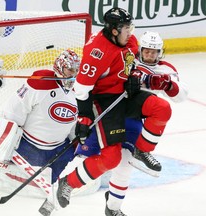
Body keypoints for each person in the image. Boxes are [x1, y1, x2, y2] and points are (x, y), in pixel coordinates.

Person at [56, 7, 173, 216]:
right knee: (111, 158)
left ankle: (142, 151)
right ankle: (68, 182)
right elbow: (81, 89)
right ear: (114, 30)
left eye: (130, 27)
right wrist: (84, 117)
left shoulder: (128, 40)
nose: (131, 31)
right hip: (104, 100)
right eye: (126, 28)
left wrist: (134, 76)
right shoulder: (97, 52)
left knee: (161, 108)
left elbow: (132, 62)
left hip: (124, 94)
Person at [75, 31, 188, 215]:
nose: (151, 55)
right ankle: (59, 182)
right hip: (108, 112)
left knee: (125, 165)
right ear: (140, 50)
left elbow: (181, 95)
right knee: (82, 150)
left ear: (160, 52)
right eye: (147, 51)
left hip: (133, 118)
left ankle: (113, 207)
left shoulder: (165, 69)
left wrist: (167, 84)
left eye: (155, 52)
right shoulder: (127, 60)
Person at [0, 49, 80, 216]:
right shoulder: (40, 83)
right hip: (29, 147)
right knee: (30, 184)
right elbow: (12, 112)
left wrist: (78, 143)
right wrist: (4, 143)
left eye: (76, 71)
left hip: (59, 149)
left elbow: (74, 126)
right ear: (59, 67)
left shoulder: (79, 91)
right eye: (70, 70)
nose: (74, 74)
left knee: (57, 179)